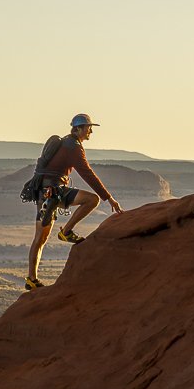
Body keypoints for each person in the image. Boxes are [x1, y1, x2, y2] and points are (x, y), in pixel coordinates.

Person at [24, 113, 122, 291]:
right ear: (79, 128)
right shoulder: (73, 147)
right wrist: (109, 198)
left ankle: (31, 279)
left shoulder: (66, 142)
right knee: (92, 199)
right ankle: (67, 232)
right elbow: (87, 174)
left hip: (44, 192)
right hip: (54, 191)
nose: (91, 131)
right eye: (88, 127)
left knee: (40, 238)